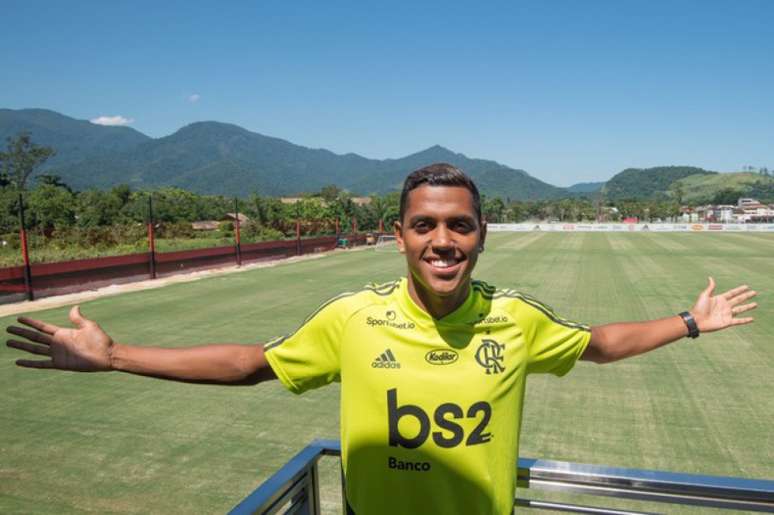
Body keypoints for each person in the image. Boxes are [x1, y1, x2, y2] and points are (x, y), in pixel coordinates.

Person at [6, 163, 757, 515]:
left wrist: (691, 322)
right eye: (424, 224)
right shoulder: (353, 316)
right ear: (399, 235)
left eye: (458, 224)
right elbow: (251, 363)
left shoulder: (515, 315)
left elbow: (599, 341)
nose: (442, 239)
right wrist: (114, 355)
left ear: (481, 235)